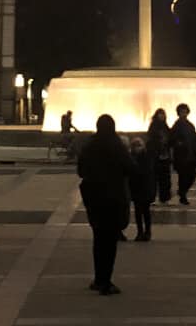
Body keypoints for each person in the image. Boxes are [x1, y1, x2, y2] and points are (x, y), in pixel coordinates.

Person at [77, 114, 135, 296]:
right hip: (112, 199)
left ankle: (98, 278)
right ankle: (106, 282)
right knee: (110, 242)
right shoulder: (116, 145)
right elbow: (130, 167)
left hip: (94, 198)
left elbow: (80, 170)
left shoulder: (89, 145)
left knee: (98, 238)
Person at [169, 104, 196, 205]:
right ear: (178, 113)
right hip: (181, 156)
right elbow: (171, 139)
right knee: (183, 176)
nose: (184, 113)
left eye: (185, 111)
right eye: (182, 111)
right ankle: (183, 196)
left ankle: (182, 192)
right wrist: (178, 143)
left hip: (191, 155)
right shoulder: (177, 125)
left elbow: (195, 140)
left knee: (192, 175)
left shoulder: (190, 125)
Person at [128, 137, 155, 240]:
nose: (136, 148)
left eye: (138, 146)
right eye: (135, 146)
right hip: (140, 187)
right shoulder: (145, 157)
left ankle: (146, 232)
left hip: (142, 187)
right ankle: (142, 232)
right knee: (140, 212)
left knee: (144, 211)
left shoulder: (141, 157)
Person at [146, 109, 171, 204]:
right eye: (160, 114)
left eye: (163, 114)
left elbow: (170, 138)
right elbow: (151, 140)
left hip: (164, 156)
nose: (162, 116)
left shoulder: (165, 126)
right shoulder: (154, 127)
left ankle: (164, 198)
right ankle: (154, 198)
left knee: (165, 179)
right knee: (155, 178)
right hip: (156, 156)